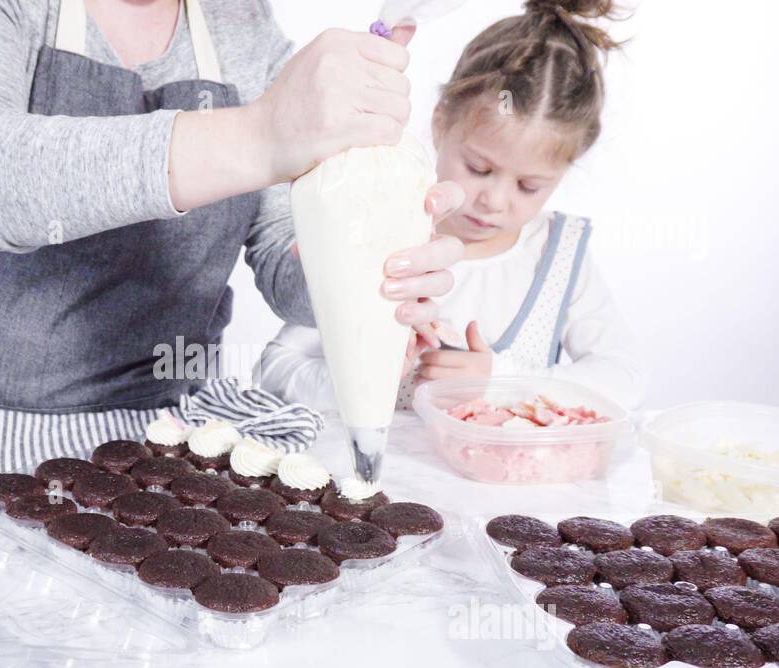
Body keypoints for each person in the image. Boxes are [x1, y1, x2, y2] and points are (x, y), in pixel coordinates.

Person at [0, 0, 463, 412]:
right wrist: (260, 135)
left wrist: (364, 267)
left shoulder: (239, 25)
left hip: (157, 440)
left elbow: (285, 257)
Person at [254, 0, 647, 413]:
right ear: (441, 122)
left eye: (529, 186)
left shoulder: (561, 255)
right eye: (478, 168)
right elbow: (272, 371)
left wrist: (498, 381)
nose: (493, 200)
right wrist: (366, 376)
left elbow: (625, 379)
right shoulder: (387, 234)